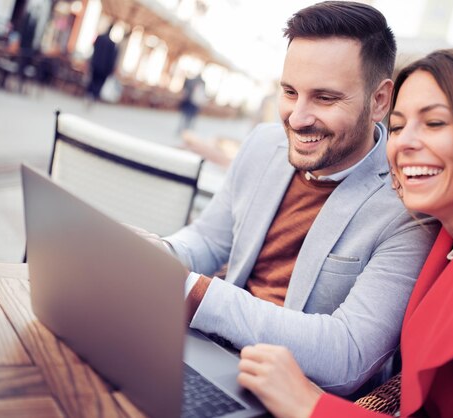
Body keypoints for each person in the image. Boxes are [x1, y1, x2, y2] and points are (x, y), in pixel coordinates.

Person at [237, 48, 453, 418]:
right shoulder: (452, 236)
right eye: (397, 127)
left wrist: (311, 406)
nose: (404, 143)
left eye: (434, 123)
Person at [155, 1, 438, 395]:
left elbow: (350, 354)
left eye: (324, 98)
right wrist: (159, 252)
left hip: (287, 394)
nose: (296, 117)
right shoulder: (262, 144)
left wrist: (198, 295)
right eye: (289, 91)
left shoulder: (408, 207)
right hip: (199, 351)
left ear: (379, 100)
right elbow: (209, 239)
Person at [86, 24, 118, 100]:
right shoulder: (112, 44)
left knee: (93, 80)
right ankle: (93, 96)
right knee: (99, 83)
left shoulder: (100, 38)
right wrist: (110, 70)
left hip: (95, 64)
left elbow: (93, 49)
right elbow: (112, 58)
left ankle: (89, 94)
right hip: (104, 68)